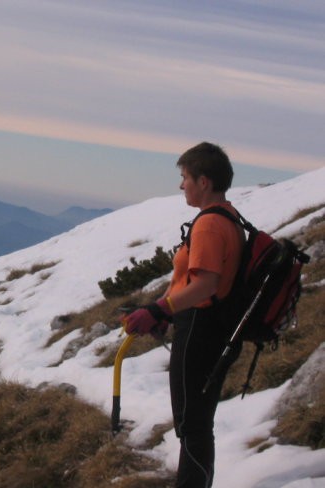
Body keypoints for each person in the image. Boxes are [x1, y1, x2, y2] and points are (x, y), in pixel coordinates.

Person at [123, 142, 244, 488]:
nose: (181, 186)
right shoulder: (229, 216)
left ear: (203, 182)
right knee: (198, 424)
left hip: (200, 332)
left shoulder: (208, 225)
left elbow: (205, 285)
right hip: (210, 329)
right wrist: (167, 311)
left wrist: (161, 309)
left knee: (192, 426)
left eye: (185, 177)